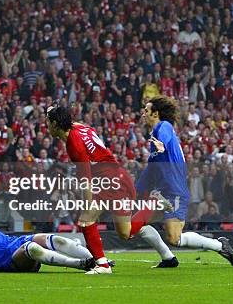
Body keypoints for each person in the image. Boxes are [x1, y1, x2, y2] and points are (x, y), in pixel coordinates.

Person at [46, 104, 173, 274]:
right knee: (124, 233)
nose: (46, 126)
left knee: (86, 219)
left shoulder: (74, 144)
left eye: (48, 122)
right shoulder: (78, 127)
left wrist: (88, 203)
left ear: (55, 124)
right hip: (115, 177)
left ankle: (103, 265)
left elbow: (86, 179)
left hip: (112, 183)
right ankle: (154, 204)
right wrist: (52, 111)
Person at [130, 96, 233, 266]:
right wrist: (136, 190)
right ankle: (168, 258)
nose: (143, 115)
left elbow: (164, 139)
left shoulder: (163, 127)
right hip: (161, 194)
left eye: (146, 111)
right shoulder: (154, 138)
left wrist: (161, 145)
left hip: (174, 192)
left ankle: (219, 245)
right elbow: (151, 170)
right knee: (136, 225)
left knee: (174, 238)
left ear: (155, 113)